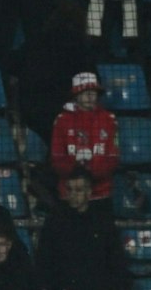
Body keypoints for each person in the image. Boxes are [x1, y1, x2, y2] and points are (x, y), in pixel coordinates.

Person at [50, 73, 121, 204]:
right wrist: (76, 171)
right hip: (70, 194)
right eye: (85, 92)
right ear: (76, 95)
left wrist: (89, 172)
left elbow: (113, 157)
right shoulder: (62, 121)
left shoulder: (109, 120)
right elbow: (57, 158)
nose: (90, 96)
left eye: (93, 92)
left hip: (101, 193)